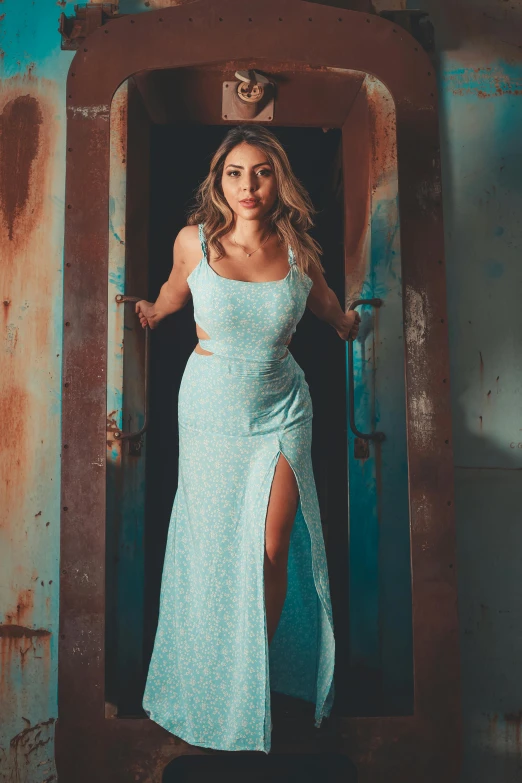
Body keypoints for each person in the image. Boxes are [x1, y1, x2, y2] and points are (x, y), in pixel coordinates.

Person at [137, 125, 360, 754]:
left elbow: (321, 304)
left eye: (260, 171)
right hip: (210, 407)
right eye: (235, 173)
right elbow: (176, 291)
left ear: (278, 180)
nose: (247, 185)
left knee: (271, 545)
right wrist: (152, 313)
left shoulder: (298, 251)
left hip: (283, 406)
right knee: (215, 547)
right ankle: (214, 680)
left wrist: (345, 321)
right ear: (219, 181)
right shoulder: (195, 241)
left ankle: (252, 674)